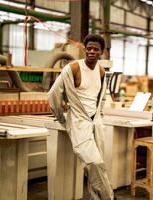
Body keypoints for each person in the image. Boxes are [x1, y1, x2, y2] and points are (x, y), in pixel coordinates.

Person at [47, 34, 114, 200]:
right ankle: (109, 197)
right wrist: (62, 118)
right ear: (85, 49)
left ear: (102, 52)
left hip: (96, 123)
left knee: (98, 164)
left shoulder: (101, 72)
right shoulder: (73, 68)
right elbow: (53, 94)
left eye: (95, 49)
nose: (91, 51)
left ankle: (95, 197)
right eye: (89, 48)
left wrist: (100, 116)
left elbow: (102, 97)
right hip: (78, 122)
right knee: (94, 163)